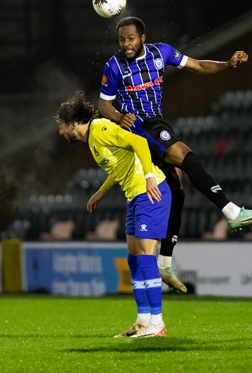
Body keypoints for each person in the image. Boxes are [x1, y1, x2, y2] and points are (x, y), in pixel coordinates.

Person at [98, 16, 252, 292]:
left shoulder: (160, 53)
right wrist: (119, 116)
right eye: (121, 40)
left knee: (177, 190)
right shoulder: (114, 65)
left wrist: (226, 65)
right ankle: (231, 210)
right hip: (141, 128)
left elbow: (199, 66)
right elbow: (103, 104)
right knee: (187, 156)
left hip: (157, 123)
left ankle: (164, 263)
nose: (125, 44)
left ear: (143, 37)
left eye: (130, 38)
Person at [55, 91, 171, 338]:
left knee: (145, 257)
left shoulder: (100, 129)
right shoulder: (93, 141)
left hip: (150, 191)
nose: (60, 132)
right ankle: (142, 321)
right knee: (133, 259)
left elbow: (138, 143)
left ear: (73, 123)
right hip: (134, 195)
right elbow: (119, 165)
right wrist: (101, 191)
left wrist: (150, 177)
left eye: (61, 126)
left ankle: (157, 323)